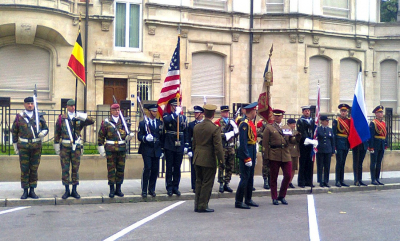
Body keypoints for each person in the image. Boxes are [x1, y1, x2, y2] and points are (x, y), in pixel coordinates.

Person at [54, 99, 94, 199]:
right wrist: (56, 146)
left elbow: (91, 121)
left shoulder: (78, 118)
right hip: (65, 147)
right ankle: (67, 190)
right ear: (67, 107)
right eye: (71, 106)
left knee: (75, 169)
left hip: (76, 147)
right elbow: (57, 132)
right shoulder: (61, 118)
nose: (73, 107)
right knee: (65, 169)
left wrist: (81, 115)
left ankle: (74, 190)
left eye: (74, 106)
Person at [11, 96, 49, 199]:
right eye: (28, 103)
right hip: (23, 147)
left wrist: (43, 133)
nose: (30, 105)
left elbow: (46, 128)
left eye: (32, 103)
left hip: (36, 146)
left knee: (34, 169)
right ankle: (25, 190)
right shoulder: (19, 117)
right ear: (24, 104)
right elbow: (14, 131)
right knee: (24, 169)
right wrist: (15, 145)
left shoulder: (38, 116)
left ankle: (32, 190)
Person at [263, 109, 299, 205]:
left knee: (287, 175)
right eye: (276, 116)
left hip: (286, 153)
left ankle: (282, 195)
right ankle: (274, 197)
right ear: (273, 117)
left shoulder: (286, 127)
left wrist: (297, 138)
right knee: (273, 177)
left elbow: (291, 140)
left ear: (282, 117)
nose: (277, 117)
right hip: (274, 153)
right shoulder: (269, 128)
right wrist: (266, 157)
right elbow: (265, 144)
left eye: (279, 116)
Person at [98, 103, 134, 198]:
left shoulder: (123, 122)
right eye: (115, 110)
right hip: (111, 149)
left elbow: (126, 134)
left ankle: (118, 188)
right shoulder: (106, 122)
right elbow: (101, 136)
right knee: (111, 170)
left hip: (121, 149)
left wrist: (128, 137)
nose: (117, 112)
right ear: (111, 111)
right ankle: (111, 189)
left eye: (118, 110)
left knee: (120, 169)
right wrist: (101, 149)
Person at [192, 104, 224, 213]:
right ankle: (203, 205)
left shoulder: (196, 127)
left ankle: (197, 204)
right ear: (213, 114)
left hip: (197, 157)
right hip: (208, 159)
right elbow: (218, 147)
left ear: (204, 113)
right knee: (207, 183)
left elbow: (194, 144)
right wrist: (221, 161)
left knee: (198, 181)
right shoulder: (214, 128)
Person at [235, 102, 259, 209]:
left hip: (252, 151)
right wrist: (247, 157)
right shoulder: (244, 124)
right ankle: (238, 201)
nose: (256, 113)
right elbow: (243, 142)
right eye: (255, 111)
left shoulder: (250, 122)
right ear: (251, 111)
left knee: (250, 178)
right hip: (246, 152)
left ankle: (248, 199)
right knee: (244, 178)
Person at [162, 98, 188, 196]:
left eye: (177, 106)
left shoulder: (183, 118)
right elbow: (166, 120)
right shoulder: (167, 115)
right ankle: (169, 187)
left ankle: (175, 187)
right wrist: (175, 114)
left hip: (179, 144)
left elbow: (185, 132)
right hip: (169, 144)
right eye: (174, 106)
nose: (176, 107)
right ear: (171, 107)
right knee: (169, 167)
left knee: (177, 167)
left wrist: (186, 144)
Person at [137, 104, 164, 198]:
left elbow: (162, 137)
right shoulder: (143, 123)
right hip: (147, 149)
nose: (155, 113)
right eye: (153, 111)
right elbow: (139, 136)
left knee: (155, 170)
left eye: (156, 111)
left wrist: (162, 149)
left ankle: (151, 189)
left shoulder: (159, 123)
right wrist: (145, 138)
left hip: (156, 149)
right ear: (149, 112)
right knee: (147, 168)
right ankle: (144, 189)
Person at [214, 105, 239, 193]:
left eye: (227, 112)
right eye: (224, 112)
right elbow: (216, 134)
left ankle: (227, 183)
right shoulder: (218, 122)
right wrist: (225, 135)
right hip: (223, 147)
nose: (226, 113)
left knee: (230, 165)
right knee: (222, 165)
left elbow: (236, 133)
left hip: (231, 146)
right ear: (221, 113)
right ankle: (221, 183)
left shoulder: (231, 122)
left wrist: (233, 132)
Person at [296, 105, 317, 188]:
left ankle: (309, 181)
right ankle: (301, 181)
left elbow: (314, 131)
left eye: (308, 111)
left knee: (310, 163)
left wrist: (314, 140)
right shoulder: (300, 121)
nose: (307, 112)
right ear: (303, 112)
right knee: (303, 163)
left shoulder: (312, 121)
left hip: (311, 145)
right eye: (305, 111)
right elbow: (302, 132)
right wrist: (307, 139)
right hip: (304, 144)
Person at [332, 104, 351, 187]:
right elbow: (333, 134)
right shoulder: (336, 121)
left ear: (347, 112)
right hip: (339, 143)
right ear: (340, 112)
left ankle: (342, 180)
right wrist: (334, 146)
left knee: (343, 162)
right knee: (339, 162)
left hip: (346, 143)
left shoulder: (349, 121)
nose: (343, 113)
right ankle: (337, 181)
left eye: (345, 111)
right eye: (342, 111)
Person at [369, 105, 388, 185]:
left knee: (379, 162)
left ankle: (377, 178)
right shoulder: (373, 123)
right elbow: (371, 136)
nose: (381, 114)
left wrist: (386, 143)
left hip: (381, 144)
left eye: (381, 112)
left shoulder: (383, 123)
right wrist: (371, 146)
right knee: (373, 162)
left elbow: (385, 134)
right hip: (375, 144)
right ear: (376, 114)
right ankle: (373, 179)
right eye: (379, 112)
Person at [187, 105, 204, 193]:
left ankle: (202, 185)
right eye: (195, 113)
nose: (195, 114)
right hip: (194, 149)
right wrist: (189, 149)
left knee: (203, 169)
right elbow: (188, 137)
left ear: (201, 114)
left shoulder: (205, 124)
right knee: (194, 169)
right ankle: (194, 186)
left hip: (203, 150)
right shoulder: (191, 125)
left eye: (197, 113)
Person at [316, 115, 335, 188]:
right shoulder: (318, 129)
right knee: (320, 166)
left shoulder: (330, 130)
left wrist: (333, 150)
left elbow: (332, 140)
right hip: (320, 150)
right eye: (326, 121)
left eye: (328, 121)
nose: (327, 122)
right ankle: (320, 181)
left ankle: (326, 181)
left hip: (328, 150)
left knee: (327, 166)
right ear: (322, 121)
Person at [257, 119, 270, 189]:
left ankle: (271, 180)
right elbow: (258, 133)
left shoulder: (275, 124)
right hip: (265, 146)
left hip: (273, 147)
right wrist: (266, 135)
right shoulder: (264, 125)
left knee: (272, 164)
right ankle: (265, 180)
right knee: (265, 164)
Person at [287, 118, 300, 188]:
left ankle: (290, 182)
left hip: (295, 151)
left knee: (294, 168)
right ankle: (287, 181)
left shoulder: (296, 132)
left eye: (294, 124)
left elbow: (298, 142)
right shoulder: (286, 131)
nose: (293, 125)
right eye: (292, 124)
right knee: (288, 168)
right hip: (289, 151)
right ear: (288, 124)